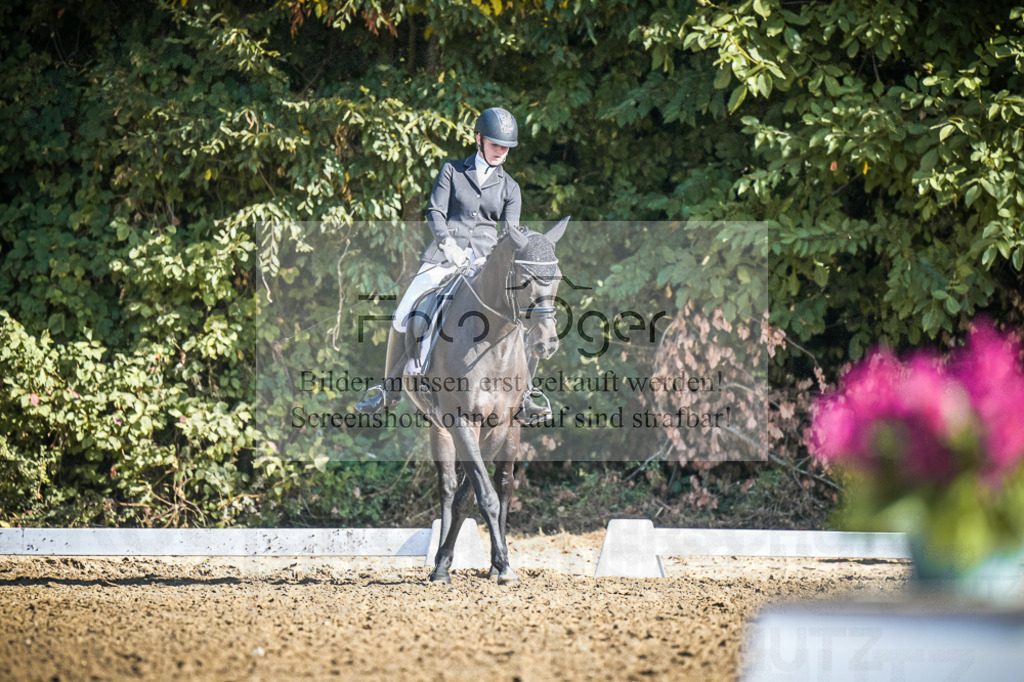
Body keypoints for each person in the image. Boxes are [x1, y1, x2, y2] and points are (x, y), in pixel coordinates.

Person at [356, 107, 551, 423]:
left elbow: (510, 233)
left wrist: (501, 259)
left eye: (506, 148)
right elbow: (435, 212)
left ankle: (527, 395)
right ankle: (387, 391)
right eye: (495, 145)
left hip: (486, 264)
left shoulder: (510, 187)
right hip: (444, 257)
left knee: (520, 316)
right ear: (479, 140)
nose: (501, 152)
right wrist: (448, 245)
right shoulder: (452, 171)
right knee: (404, 314)